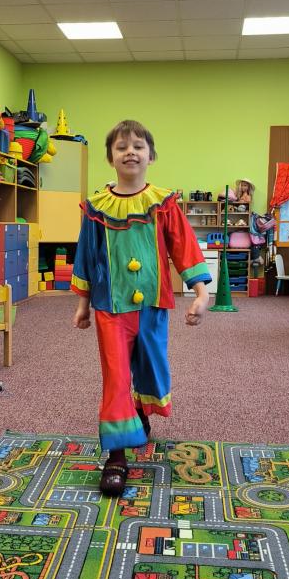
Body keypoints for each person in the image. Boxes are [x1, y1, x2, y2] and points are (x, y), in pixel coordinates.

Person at [71, 119, 211, 497]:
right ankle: (116, 456)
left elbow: (184, 246)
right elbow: (86, 256)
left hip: (152, 305)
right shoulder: (96, 208)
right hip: (110, 308)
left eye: (138, 146)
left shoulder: (163, 204)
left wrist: (201, 292)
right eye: (121, 147)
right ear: (110, 157)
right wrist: (83, 303)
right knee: (116, 377)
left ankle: (139, 414)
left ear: (151, 155)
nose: (130, 152)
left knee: (151, 370)